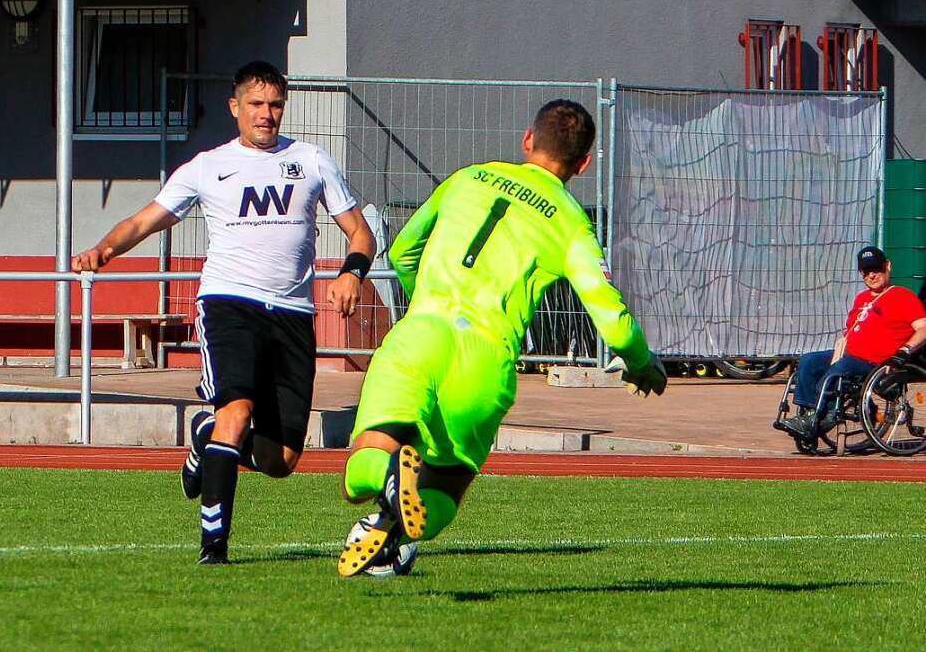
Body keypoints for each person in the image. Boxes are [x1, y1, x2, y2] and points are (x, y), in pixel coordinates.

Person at [336, 99, 667, 578]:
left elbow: (406, 248)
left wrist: (424, 304)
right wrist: (641, 362)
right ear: (583, 164)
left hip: (423, 333)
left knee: (365, 458)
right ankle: (396, 526)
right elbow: (613, 320)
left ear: (527, 140)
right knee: (446, 488)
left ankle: (386, 483)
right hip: (485, 363)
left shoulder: (469, 177)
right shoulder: (572, 222)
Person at [73, 60, 375, 564]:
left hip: (293, 315)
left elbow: (359, 231)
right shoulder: (207, 165)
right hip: (228, 304)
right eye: (256, 104)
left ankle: (206, 439)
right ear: (235, 107)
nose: (266, 115)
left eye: (275, 105)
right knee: (235, 412)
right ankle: (214, 548)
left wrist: (351, 272)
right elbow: (147, 219)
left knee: (280, 461)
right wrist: (103, 249)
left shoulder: (313, 161)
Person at [782, 246, 926, 440]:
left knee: (841, 368)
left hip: (876, 362)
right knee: (809, 361)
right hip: (849, 355)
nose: (872, 275)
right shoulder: (861, 298)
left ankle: (823, 417)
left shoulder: (903, 296)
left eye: (877, 269)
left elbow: (923, 328)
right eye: (867, 272)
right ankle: (809, 414)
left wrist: (904, 351)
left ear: (888, 266)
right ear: (861, 273)